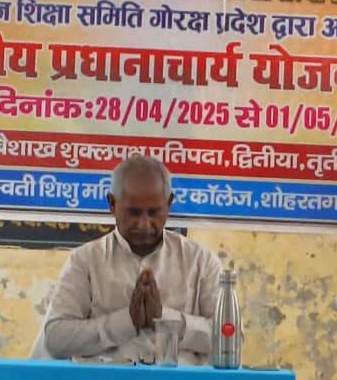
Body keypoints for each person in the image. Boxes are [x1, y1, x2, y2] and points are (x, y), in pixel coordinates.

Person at [33, 155, 224, 365]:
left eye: (154, 212)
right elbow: (57, 338)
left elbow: (229, 339)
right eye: (134, 213)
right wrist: (126, 321)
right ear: (112, 204)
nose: (144, 224)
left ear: (169, 203)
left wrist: (167, 319)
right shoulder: (85, 261)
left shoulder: (202, 262)